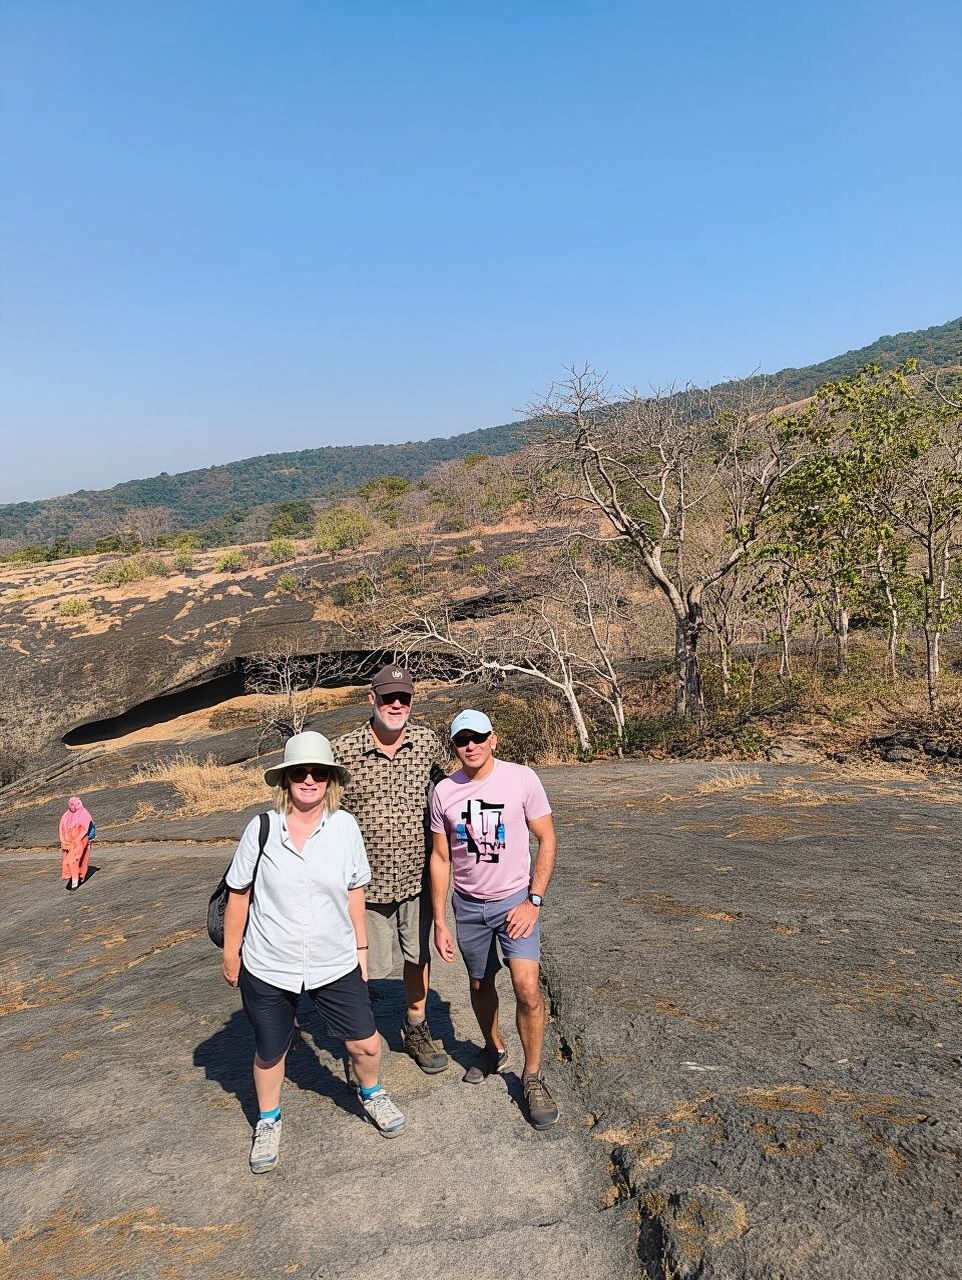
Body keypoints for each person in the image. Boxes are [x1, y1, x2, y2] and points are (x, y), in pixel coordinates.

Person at [221, 730, 405, 1174]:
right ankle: (268, 1120)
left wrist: (362, 949)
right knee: (270, 1051)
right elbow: (238, 894)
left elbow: (355, 891)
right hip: (269, 962)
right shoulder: (261, 828)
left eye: (318, 773)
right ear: (285, 779)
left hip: (334, 959)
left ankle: (371, 1091)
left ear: (330, 780)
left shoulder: (345, 827)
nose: (309, 780)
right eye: (299, 772)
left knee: (365, 1042)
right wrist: (231, 953)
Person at [430, 709, 560, 1130]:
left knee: (526, 986)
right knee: (479, 983)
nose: (470, 745)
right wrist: (439, 918)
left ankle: (533, 1075)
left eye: (478, 737)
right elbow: (440, 856)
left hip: (514, 903)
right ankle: (493, 1047)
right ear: (454, 746)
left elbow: (547, 838)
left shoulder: (521, 778)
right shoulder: (445, 791)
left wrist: (533, 900)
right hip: (468, 906)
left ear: (493, 739)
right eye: (461, 740)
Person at [333, 664, 451, 1074]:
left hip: (416, 879)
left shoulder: (426, 743)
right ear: (372, 699)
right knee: (355, 967)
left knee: (418, 958)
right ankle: (359, 1043)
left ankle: (415, 1027)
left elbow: (451, 790)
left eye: (404, 698)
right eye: (388, 698)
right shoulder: (343, 751)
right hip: (362, 886)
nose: (396, 705)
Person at [59, 795, 93, 891]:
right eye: (72, 804)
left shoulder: (84, 813)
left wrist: (78, 839)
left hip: (81, 841)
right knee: (68, 861)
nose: (75, 806)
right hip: (68, 842)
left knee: (74, 860)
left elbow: (86, 828)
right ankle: (74, 877)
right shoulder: (66, 815)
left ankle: (75, 881)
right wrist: (63, 840)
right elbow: (61, 828)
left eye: (77, 804)